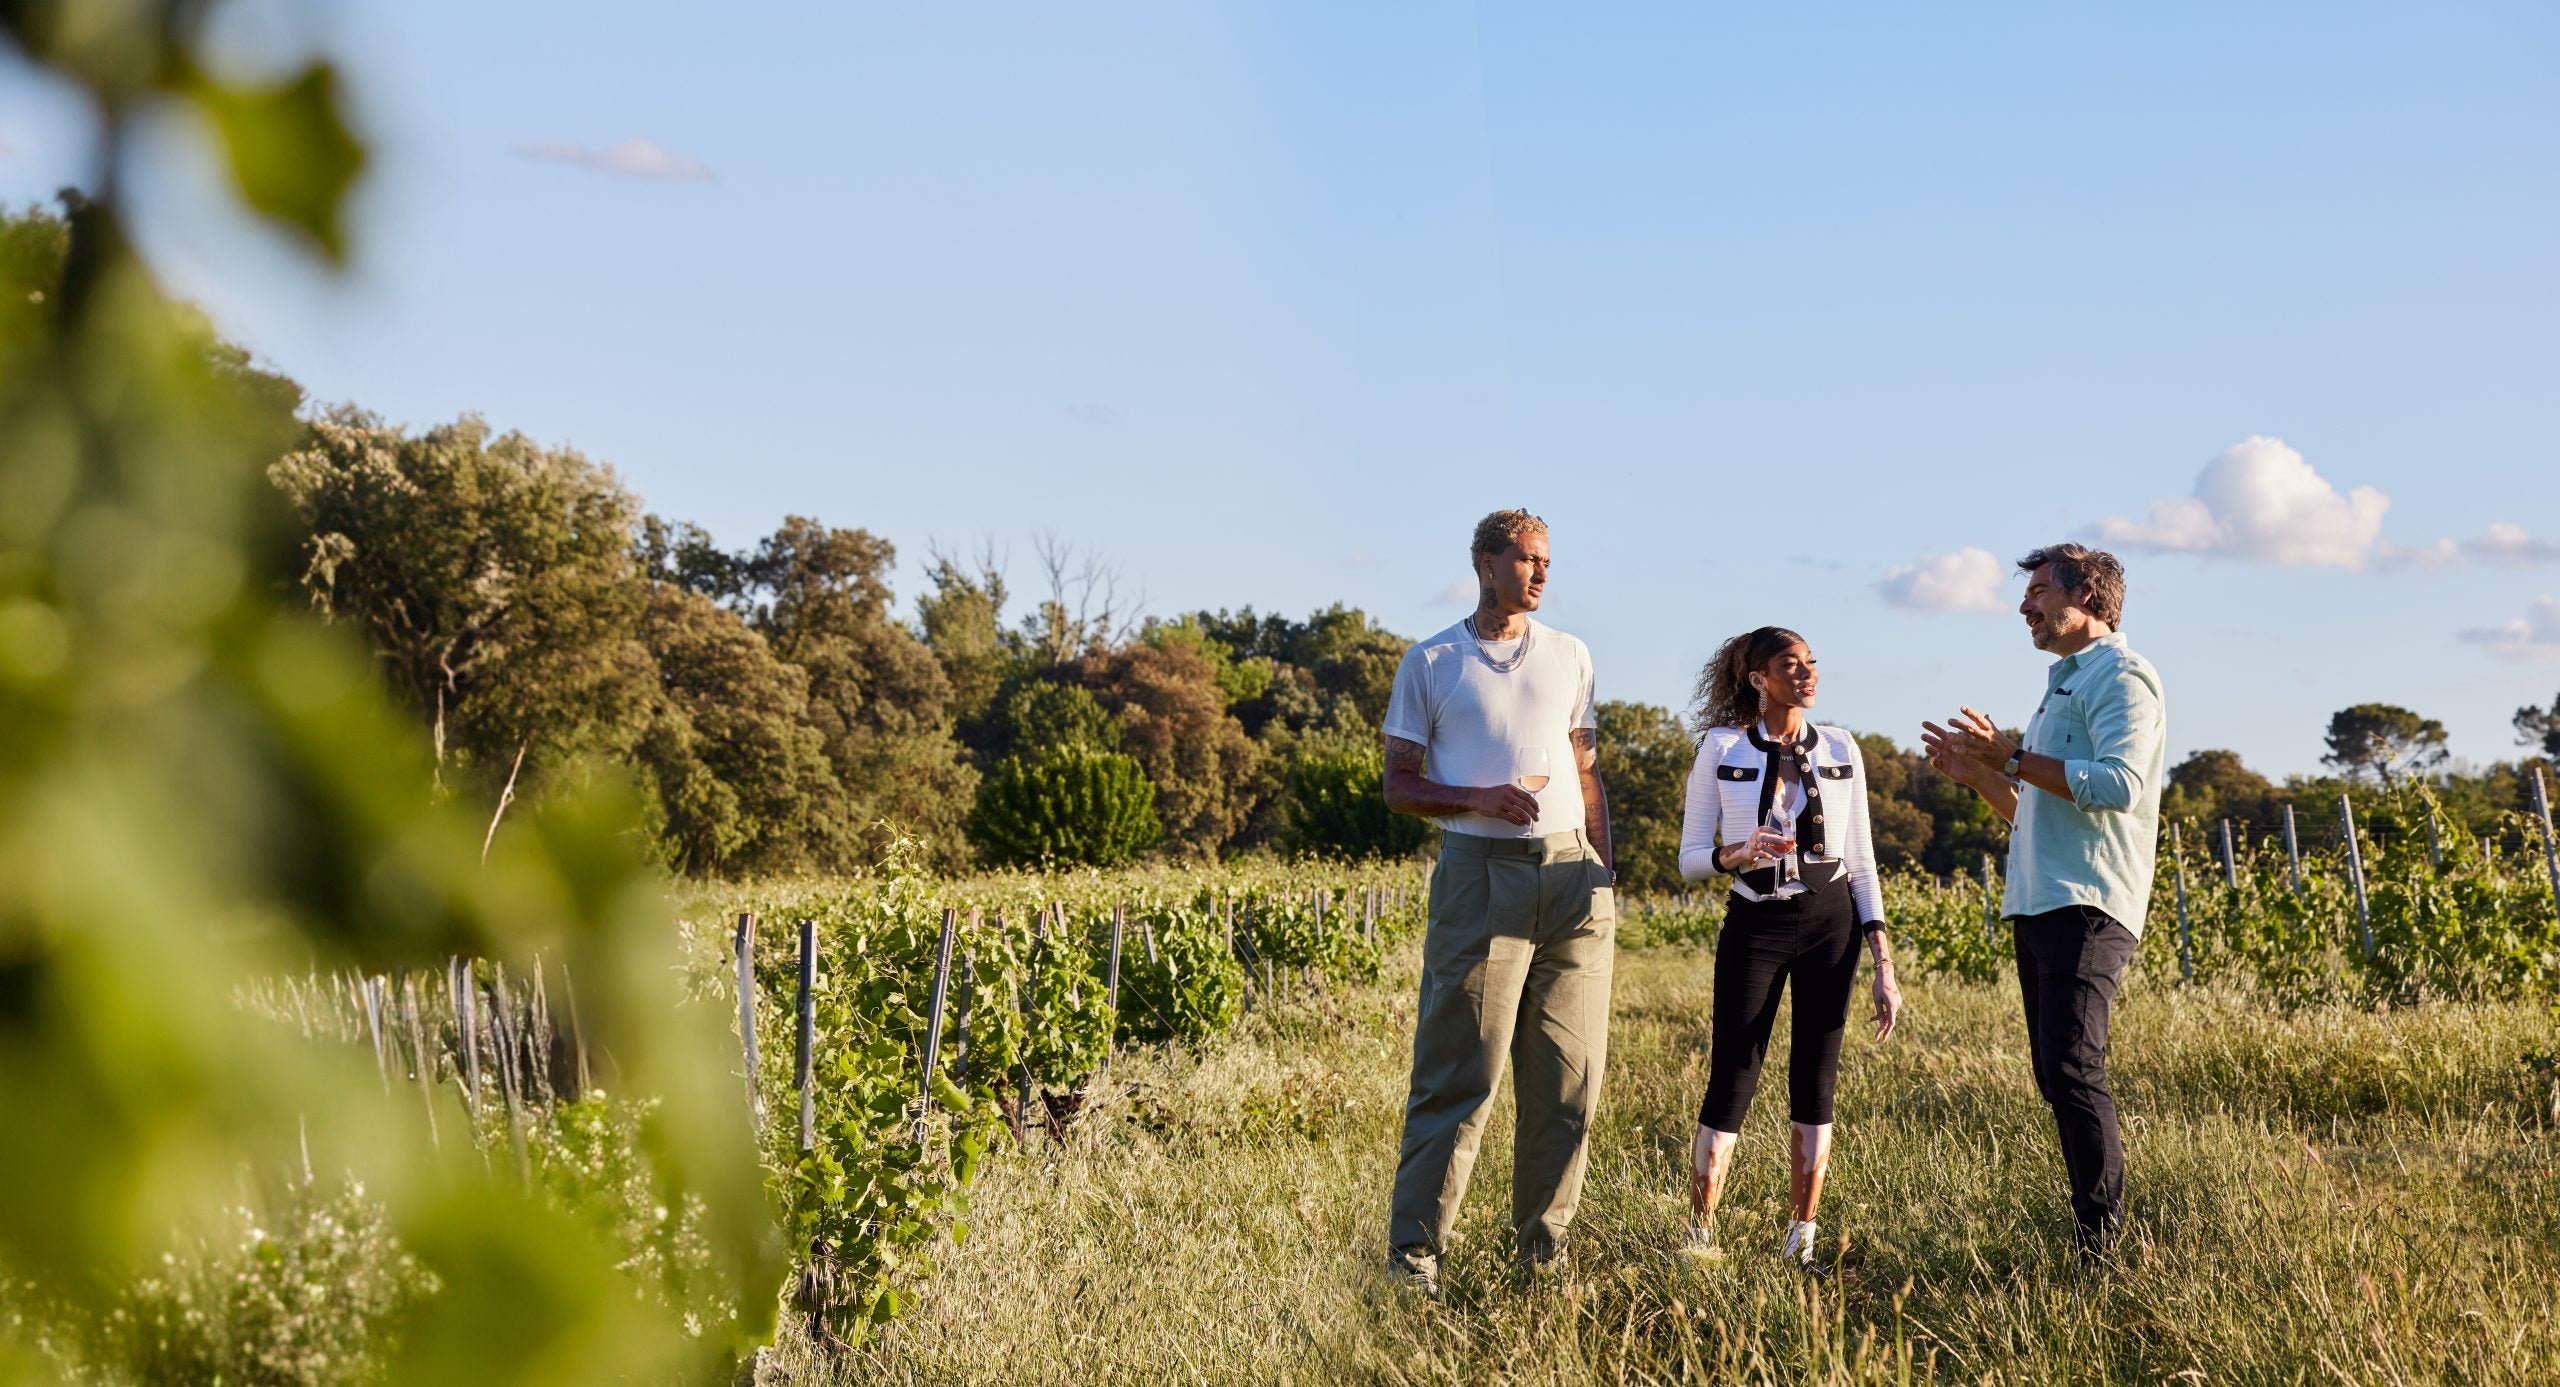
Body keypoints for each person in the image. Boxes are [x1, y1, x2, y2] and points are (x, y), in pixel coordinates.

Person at [1380, 508, 1614, 1294]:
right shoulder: (1433, 661)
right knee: (1459, 1077)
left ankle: (1542, 1261)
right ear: (1485, 563)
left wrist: (1602, 872)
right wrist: (1477, 795)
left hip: (1572, 881)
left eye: (1548, 559)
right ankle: (1415, 1260)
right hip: (1480, 877)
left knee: (1567, 1083)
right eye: (1526, 558)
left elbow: (1585, 775)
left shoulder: (1572, 655)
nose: (1541, 572)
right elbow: (1398, 785)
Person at [1921, 542, 2165, 1259]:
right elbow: (2033, 809)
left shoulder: (2123, 675)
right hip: (2041, 901)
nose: (2024, 605)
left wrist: (2015, 756)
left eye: (2036, 592)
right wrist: (1981, 777)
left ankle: (2105, 1246)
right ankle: (2096, 1232)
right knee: (2055, 1070)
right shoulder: (2063, 682)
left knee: (2073, 1067)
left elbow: (2121, 785)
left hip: (2088, 902)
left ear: (2086, 595)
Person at [1676, 626, 1902, 1268]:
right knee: (1734, 1071)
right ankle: (1701, 1235)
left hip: (1830, 926)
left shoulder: (1842, 747)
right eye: (1789, 664)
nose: (1806, 674)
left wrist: (1883, 963)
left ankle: (1801, 1241)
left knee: (1817, 1078)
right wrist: (1736, 852)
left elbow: (1862, 858)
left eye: (1811, 664)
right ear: (1757, 679)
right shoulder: (1721, 749)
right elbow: (1691, 857)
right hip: (1756, 923)